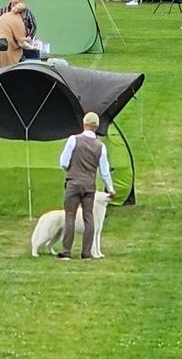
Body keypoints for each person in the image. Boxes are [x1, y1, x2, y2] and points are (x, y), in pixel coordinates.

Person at [55, 111, 116, 259]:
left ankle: (66, 251)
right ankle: (87, 252)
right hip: (89, 186)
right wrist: (110, 188)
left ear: (84, 124)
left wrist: (71, 170)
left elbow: (63, 162)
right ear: (96, 127)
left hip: (73, 183)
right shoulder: (100, 146)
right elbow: (104, 171)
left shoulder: (73, 140)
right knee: (89, 217)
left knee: (70, 216)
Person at [0, 2, 28, 67]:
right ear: (23, 13)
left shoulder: (5, 15)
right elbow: (21, 43)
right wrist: (32, 47)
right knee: (4, 68)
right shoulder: (18, 21)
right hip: (1, 46)